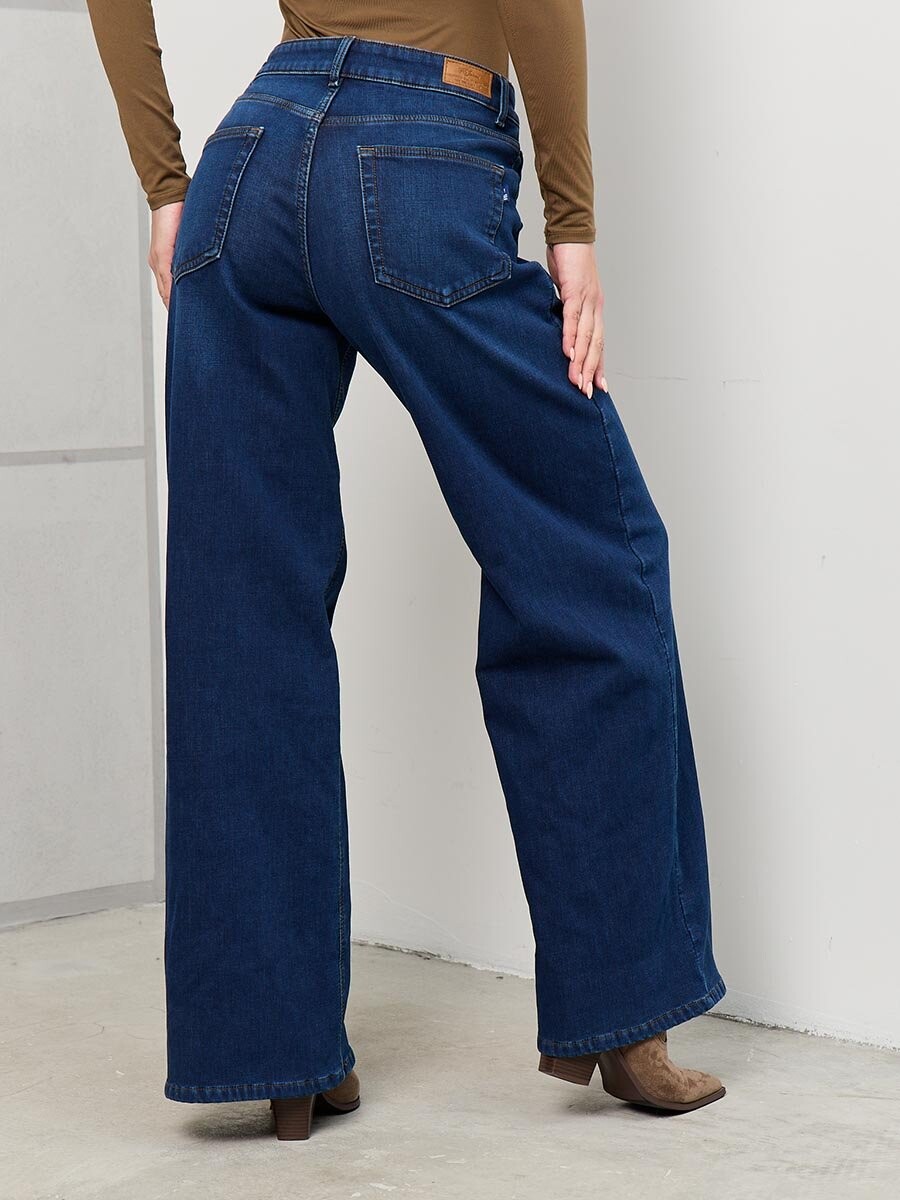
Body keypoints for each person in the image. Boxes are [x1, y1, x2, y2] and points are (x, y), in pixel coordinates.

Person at [85, 0, 727, 1140]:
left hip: (249, 166)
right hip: (420, 158)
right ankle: (626, 1016)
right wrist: (573, 225)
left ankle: (275, 1056)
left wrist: (165, 185)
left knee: (243, 620)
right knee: (588, 563)